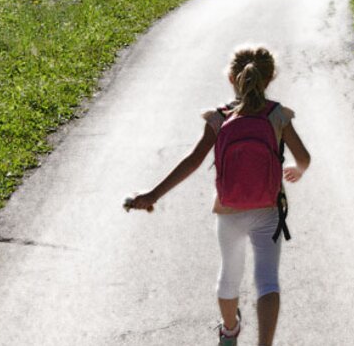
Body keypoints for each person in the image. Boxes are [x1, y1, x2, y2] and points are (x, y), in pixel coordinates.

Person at [126, 45, 311, 346]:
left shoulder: (221, 117)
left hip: (229, 209)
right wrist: (297, 170)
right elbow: (303, 158)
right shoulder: (277, 115)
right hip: (268, 207)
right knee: (267, 279)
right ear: (270, 78)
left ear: (231, 78)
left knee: (229, 274)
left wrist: (152, 194)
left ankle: (229, 331)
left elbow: (192, 161)